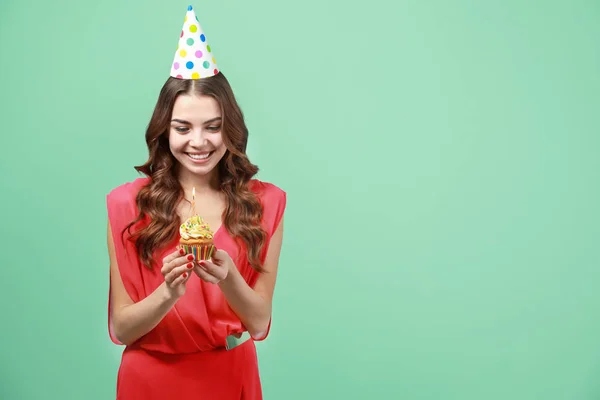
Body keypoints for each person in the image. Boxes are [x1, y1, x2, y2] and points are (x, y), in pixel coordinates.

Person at [105, 5, 286, 399]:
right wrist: (168, 292)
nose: (199, 142)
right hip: (149, 381)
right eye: (183, 127)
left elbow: (258, 324)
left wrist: (229, 277)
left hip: (230, 376)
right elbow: (122, 328)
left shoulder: (266, 203)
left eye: (213, 127)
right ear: (163, 130)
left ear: (231, 129)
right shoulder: (126, 204)